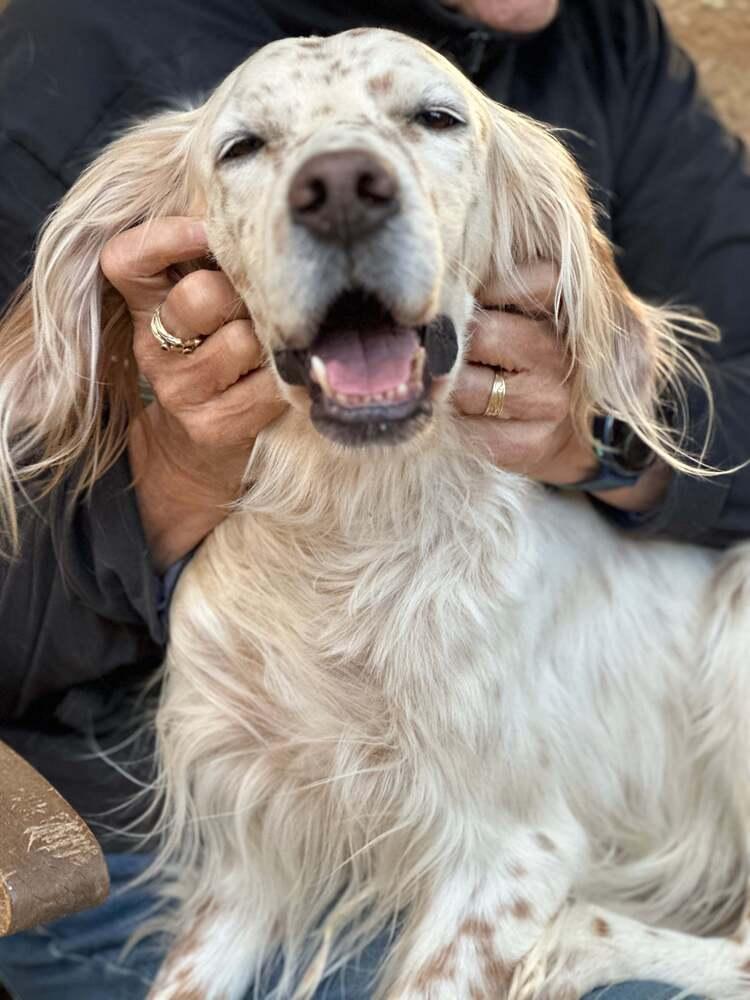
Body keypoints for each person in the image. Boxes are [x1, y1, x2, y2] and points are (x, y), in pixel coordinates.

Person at [0, 0, 748, 996]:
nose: (351, 189)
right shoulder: (79, 50)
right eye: (250, 148)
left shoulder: (605, 37)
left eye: (433, 122)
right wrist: (175, 470)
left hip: (598, 815)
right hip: (88, 830)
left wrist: (601, 428)